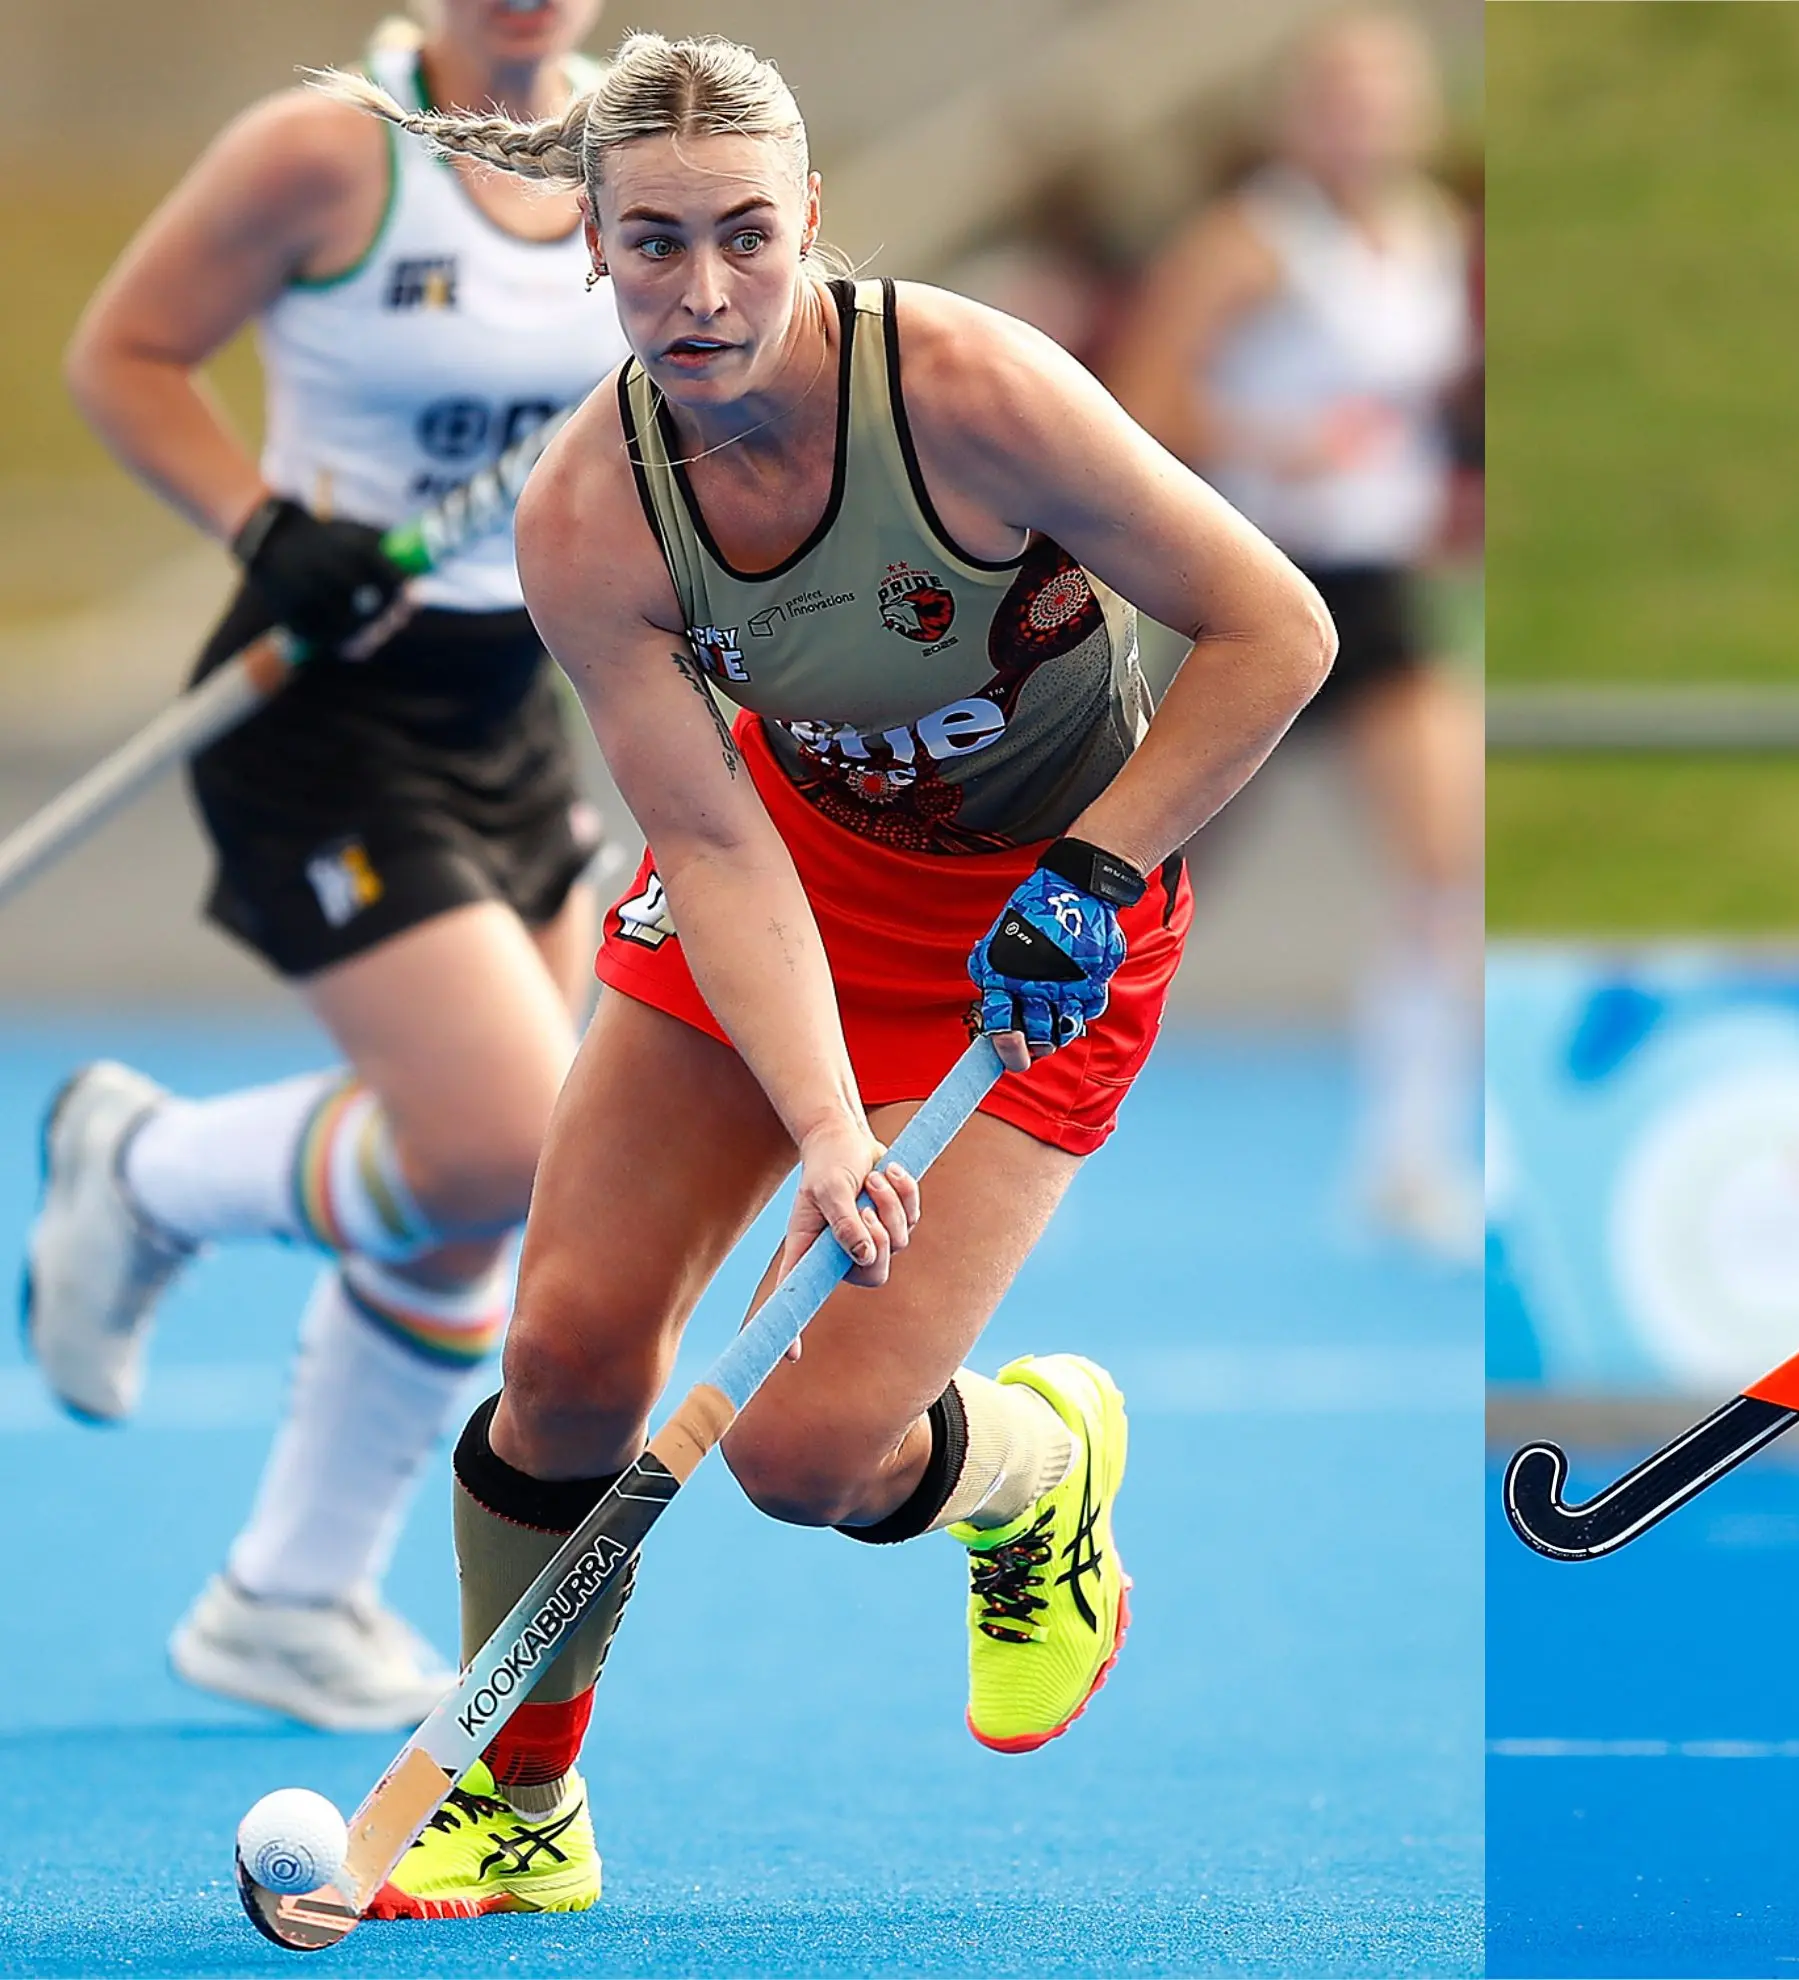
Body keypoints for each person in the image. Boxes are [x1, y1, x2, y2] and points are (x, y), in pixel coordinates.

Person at [303, 32, 1332, 1921]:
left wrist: (1099, 867)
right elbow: (709, 849)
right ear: (590, 244)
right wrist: (830, 1120)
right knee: (568, 1354)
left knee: (801, 1453)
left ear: (811, 222)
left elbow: (1276, 628)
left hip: (1048, 929)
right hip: (789, 881)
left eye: (745, 237)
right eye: (653, 244)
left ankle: (1034, 1469)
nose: (703, 292)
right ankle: (520, 1805)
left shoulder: (970, 394)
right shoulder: (587, 516)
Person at [30, 0, 627, 1730]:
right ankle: (145, 1172)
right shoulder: (327, 153)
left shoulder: (635, 154)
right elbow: (124, 356)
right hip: (325, 704)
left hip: (520, 700)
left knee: (501, 1195)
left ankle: (287, 1597)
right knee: (498, 1138)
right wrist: (267, 528)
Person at [1105, 9, 1480, 1258]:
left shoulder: (1431, 232)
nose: (1360, 121)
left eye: (1382, 96)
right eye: (1336, 97)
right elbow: (1137, 401)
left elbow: (1407, 405)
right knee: (1135, 867)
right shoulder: (1248, 241)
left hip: (1376, 590)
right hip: (1256, 592)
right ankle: (996, 1098)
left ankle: (1407, 1158)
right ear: (1293, 114)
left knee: (1444, 863)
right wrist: (1278, 442)